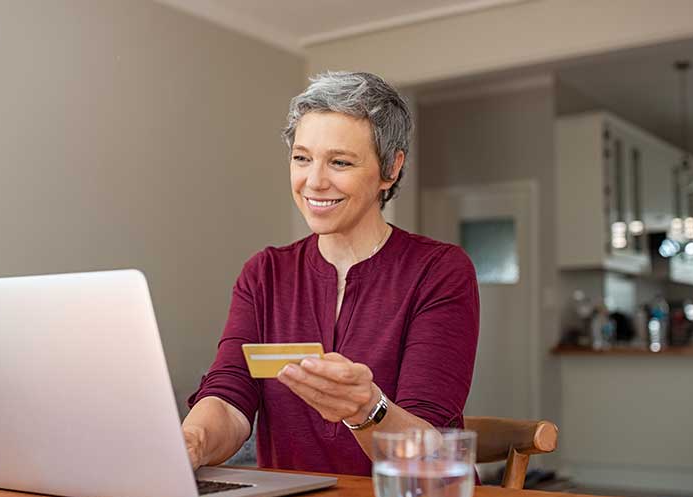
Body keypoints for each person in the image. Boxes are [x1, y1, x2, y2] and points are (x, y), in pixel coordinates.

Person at [183, 71, 479, 476]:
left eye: (340, 162)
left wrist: (365, 409)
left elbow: (431, 450)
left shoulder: (439, 271)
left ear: (390, 169)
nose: (315, 182)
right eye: (302, 158)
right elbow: (229, 398)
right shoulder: (264, 274)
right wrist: (191, 443)